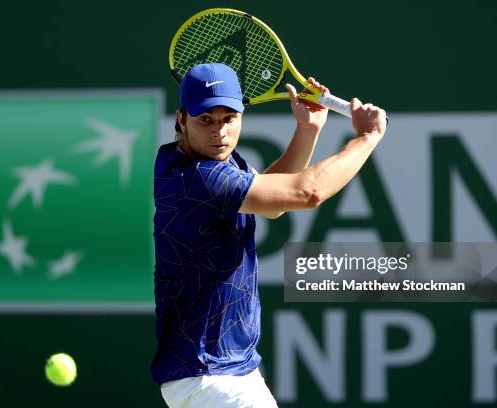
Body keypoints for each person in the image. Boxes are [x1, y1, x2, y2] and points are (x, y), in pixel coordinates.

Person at [151, 63, 386, 407]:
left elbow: (270, 204)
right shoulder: (198, 178)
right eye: (206, 120)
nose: (219, 132)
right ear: (181, 119)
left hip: (230, 371)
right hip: (209, 377)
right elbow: (309, 192)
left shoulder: (217, 162)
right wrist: (367, 138)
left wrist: (307, 131)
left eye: (228, 119)